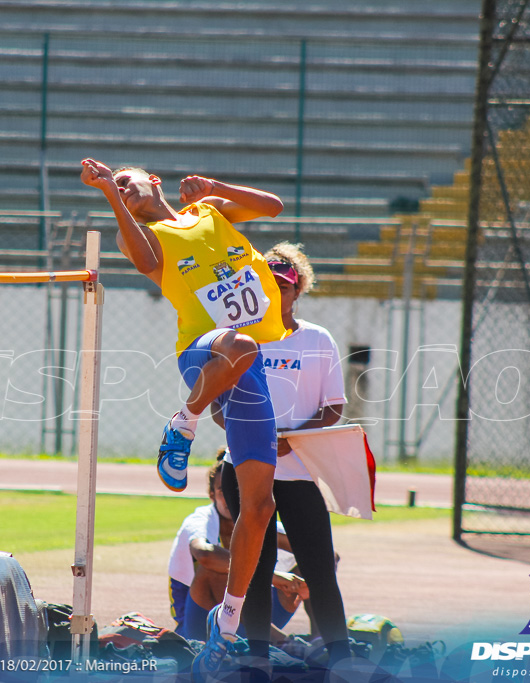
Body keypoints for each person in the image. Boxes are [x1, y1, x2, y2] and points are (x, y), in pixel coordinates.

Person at [80, 159, 285, 677]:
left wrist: (217, 186)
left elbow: (272, 206)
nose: (124, 189)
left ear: (155, 179)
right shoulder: (138, 236)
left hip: (246, 367)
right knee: (236, 343)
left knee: (259, 508)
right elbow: (148, 260)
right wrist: (110, 194)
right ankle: (183, 421)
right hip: (202, 353)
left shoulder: (208, 210)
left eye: (128, 181)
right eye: (117, 185)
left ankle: (228, 624)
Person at [215, 242, 352, 664]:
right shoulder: (235, 339)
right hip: (246, 468)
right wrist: (257, 437)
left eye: (284, 286)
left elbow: (334, 407)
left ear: (299, 290)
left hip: (300, 471)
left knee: (318, 567)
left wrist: (292, 436)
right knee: (256, 567)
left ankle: (343, 658)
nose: (276, 293)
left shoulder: (317, 339)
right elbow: (219, 408)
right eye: (267, 285)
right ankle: (256, 658)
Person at [167, 454, 308, 642]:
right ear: (211, 495)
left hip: (256, 618)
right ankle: (279, 641)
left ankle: (322, 639)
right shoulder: (201, 519)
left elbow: (319, 554)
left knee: (317, 561)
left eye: (237, 490)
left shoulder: (257, 518)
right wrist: (272, 576)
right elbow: (204, 554)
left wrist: (308, 580)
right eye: (221, 491)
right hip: (200, 625)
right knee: (214, 568)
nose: (230, 498)